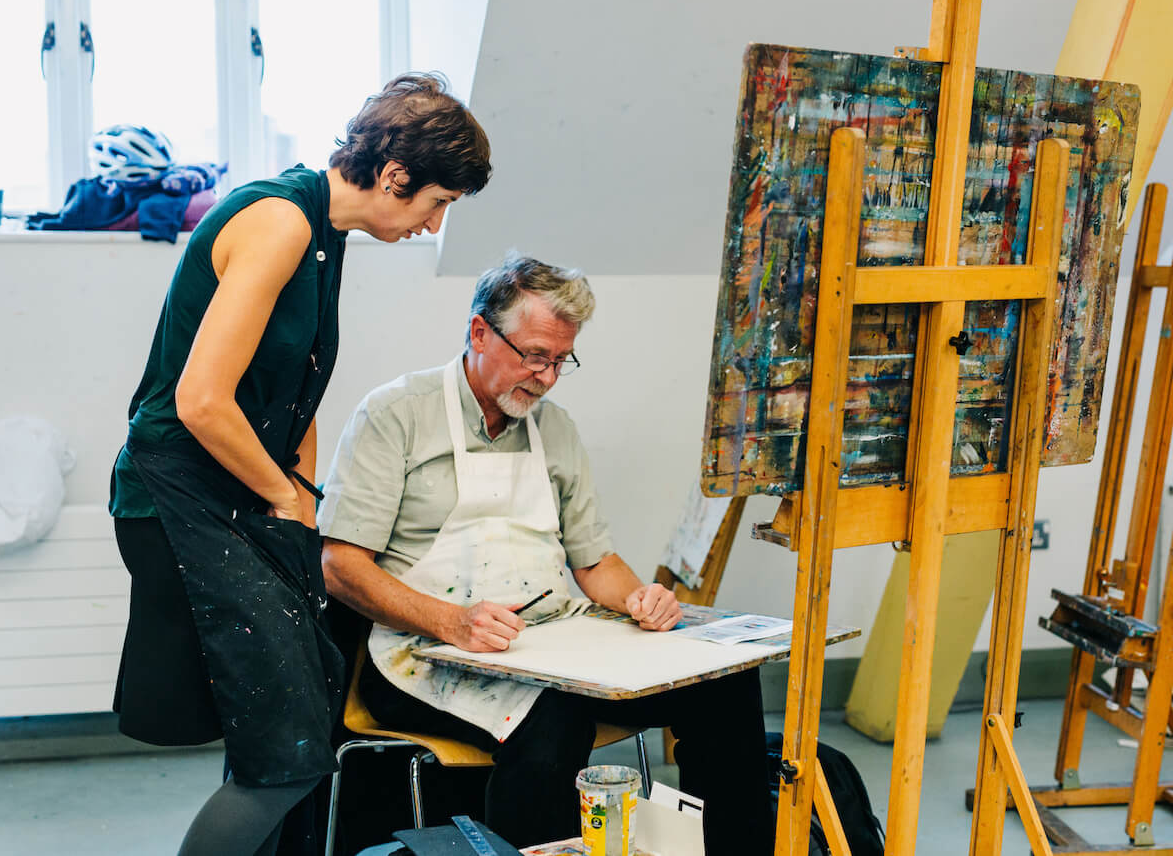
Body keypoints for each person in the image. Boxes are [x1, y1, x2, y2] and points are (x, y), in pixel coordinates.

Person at [108, 73, 492, 856]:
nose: (434, 221)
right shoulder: (280, 221)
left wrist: (304, 494)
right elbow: (203, 400)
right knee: (283, 758)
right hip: (176, 494)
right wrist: (285, 495)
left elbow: (299, 387)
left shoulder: (327, 235)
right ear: (394, 176)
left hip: (240, 493)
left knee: (302, 720)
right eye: (437, 201)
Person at [318, 254, 774, 853]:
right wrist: (452, 620)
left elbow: (594, 564)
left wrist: (641, 597)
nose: (547, 377)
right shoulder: (395, 414)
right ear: (480, 331)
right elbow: (341, 568)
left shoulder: (553, 428)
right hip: (422, 651)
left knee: (724, 683)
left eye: (562, 361)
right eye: (535, 356)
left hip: (550, 640)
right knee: (555, 722)